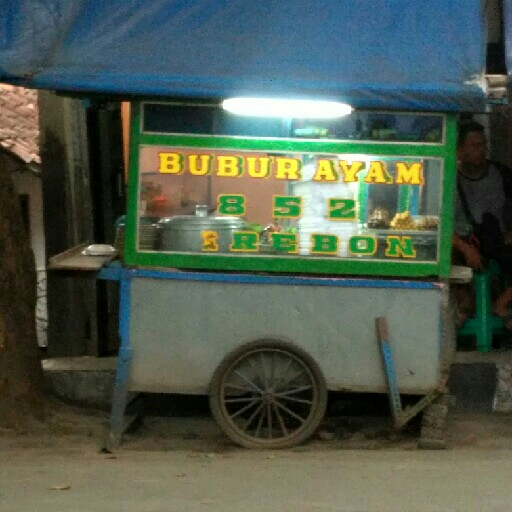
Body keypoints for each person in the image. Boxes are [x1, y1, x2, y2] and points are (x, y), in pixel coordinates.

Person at [453, 119, 512, 328]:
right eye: (475, 146)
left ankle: (502, 304)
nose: (482, 150)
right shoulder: (448, 178)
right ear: (459, 149)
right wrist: (465, 248)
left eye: (484, 145)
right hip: (459, 245)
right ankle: (462, 311)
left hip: (495, 241)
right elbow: (436, 223)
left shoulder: (500, 174)